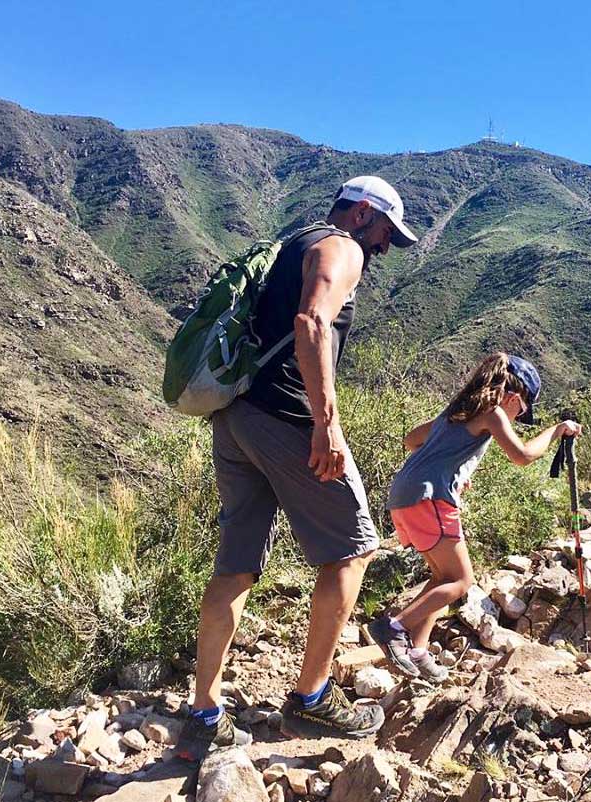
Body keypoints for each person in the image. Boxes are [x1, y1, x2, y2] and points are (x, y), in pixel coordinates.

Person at [176, 176, 418, 761]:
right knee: (353, 550)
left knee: (235, 563)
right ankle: (313, 698)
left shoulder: (294, 242)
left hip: (235, 417)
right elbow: (311, 323)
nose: (384, 247)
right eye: (386, 232)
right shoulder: (342, 247)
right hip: (287, 417)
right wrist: (326, 422)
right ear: (363, 214)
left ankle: (205, 714)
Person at [368, 353, 582, 681]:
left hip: (405, 495)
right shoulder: (493, 412)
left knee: (443, 577)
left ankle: (419, 651)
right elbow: (522, 455)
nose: (518, 417)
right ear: (513, 396)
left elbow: (412, 439)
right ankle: (393, 628)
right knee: (461, 580)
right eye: (522, 411)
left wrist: (449, 465)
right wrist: (557, 430)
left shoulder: (456, 412)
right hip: (430, 497)